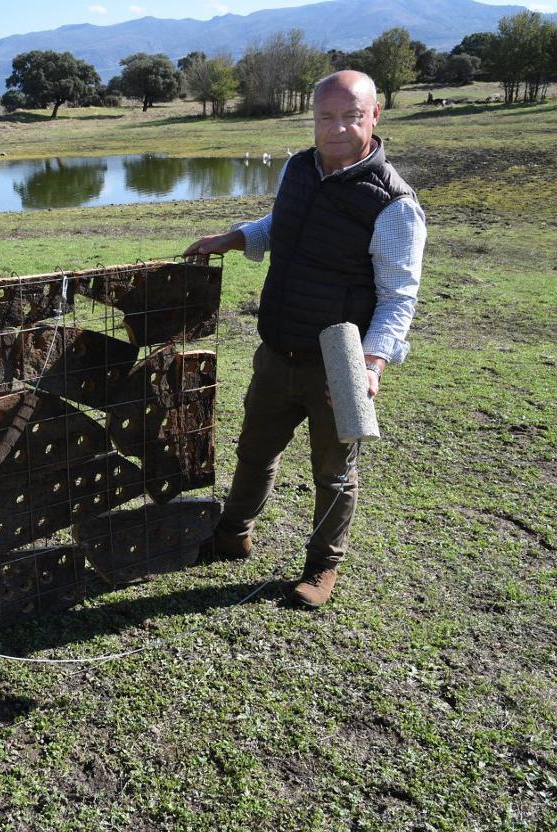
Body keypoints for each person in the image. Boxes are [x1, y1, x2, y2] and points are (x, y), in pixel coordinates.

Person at [184, 70, 426, 608]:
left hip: (338, 362)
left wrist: (372, 362)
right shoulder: (299, 168)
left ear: (375, 117)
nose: (337, 128)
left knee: (333, 473)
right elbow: (283, 221)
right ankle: (232, 534)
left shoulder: (394, 203)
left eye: (351, 116)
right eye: (326, 116)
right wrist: (236, 237)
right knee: (253, 451)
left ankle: (322, 568)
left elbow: (399, 295)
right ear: (313, 117)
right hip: (278, 347)